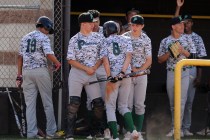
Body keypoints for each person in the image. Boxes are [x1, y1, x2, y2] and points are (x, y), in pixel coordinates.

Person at [16, 16, 61, 139]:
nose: (48, 32)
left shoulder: (25, 37)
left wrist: (19, 75)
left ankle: (31, 134)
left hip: (26, 72)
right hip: (40, 71)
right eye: (48, 29)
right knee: (47, 102)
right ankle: (51, 133)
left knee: (30, 105)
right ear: (44, 26)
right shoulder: (43, 37)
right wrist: (57, 63)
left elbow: (20, 57)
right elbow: (48, 53)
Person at [66, 12, 105, 140]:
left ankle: (95, 131)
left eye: (93, 22)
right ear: (83, 24)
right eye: (90, 22)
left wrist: (94, 68)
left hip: (91, 73)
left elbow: (102, 56)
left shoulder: (98, 37)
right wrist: (86, 68)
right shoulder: (74, 39)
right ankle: (69, 133)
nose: (93, 25)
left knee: (98, 104)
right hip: (77, 73)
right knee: (74, 103)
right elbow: (70, 60)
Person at [157, 16, 196, 137]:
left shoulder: (188, 39)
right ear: (173, 26)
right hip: (171, 72)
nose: (182, 26)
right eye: (180, 24)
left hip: (184, 72)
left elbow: (194, 58)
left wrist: (183, 50)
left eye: (183, 24)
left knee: (182, 102)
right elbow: (159, 59)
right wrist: (170, 52)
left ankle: (179, 129)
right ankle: (175, 128)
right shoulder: (165, 41)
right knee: (173, 103)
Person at [101, 20, 139, 140]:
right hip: (125, 75)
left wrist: (109, 76)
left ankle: (116, 137)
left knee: (110, 107)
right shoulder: (126, 39)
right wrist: (123, 72)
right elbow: (129, 56)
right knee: (123, 106)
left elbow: (105, 60)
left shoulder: (104, 41)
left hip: (113, 76)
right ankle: (133, 131)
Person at [174, 0, 208, 136]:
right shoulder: (178, 35)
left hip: (192, 70)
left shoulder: (197, 38)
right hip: (178, 70)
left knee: (188, 102)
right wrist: (178, 7)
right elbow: (174, 21)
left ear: (192, 23)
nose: (186, 24)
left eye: (188, 22)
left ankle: (186, 128)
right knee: (178, 100)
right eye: (184, 22)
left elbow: (201, 59)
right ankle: (177, 127)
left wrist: (199, 76)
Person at [122, 15, 152, 140]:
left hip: (141, 74)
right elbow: (119, 57)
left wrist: (138, 70)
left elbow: (149, 60)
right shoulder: (124, 37)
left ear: (142, 26)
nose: (134, 27)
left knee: (139, 104)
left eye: (137, 25)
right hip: (127, 75)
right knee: (127, 104)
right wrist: (129, 70)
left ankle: (138, 133)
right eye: (132, 25)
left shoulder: (146, 39)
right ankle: (129, 131)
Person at [86, 9, 111, 139]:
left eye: (97, 21)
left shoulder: (105, 31)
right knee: (91, 100)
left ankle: (104, 128)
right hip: (89, 69)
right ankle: (92, 130)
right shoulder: (84, 31)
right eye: (92, 21)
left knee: (104, 99)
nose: (95, 24)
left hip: (102, 68)